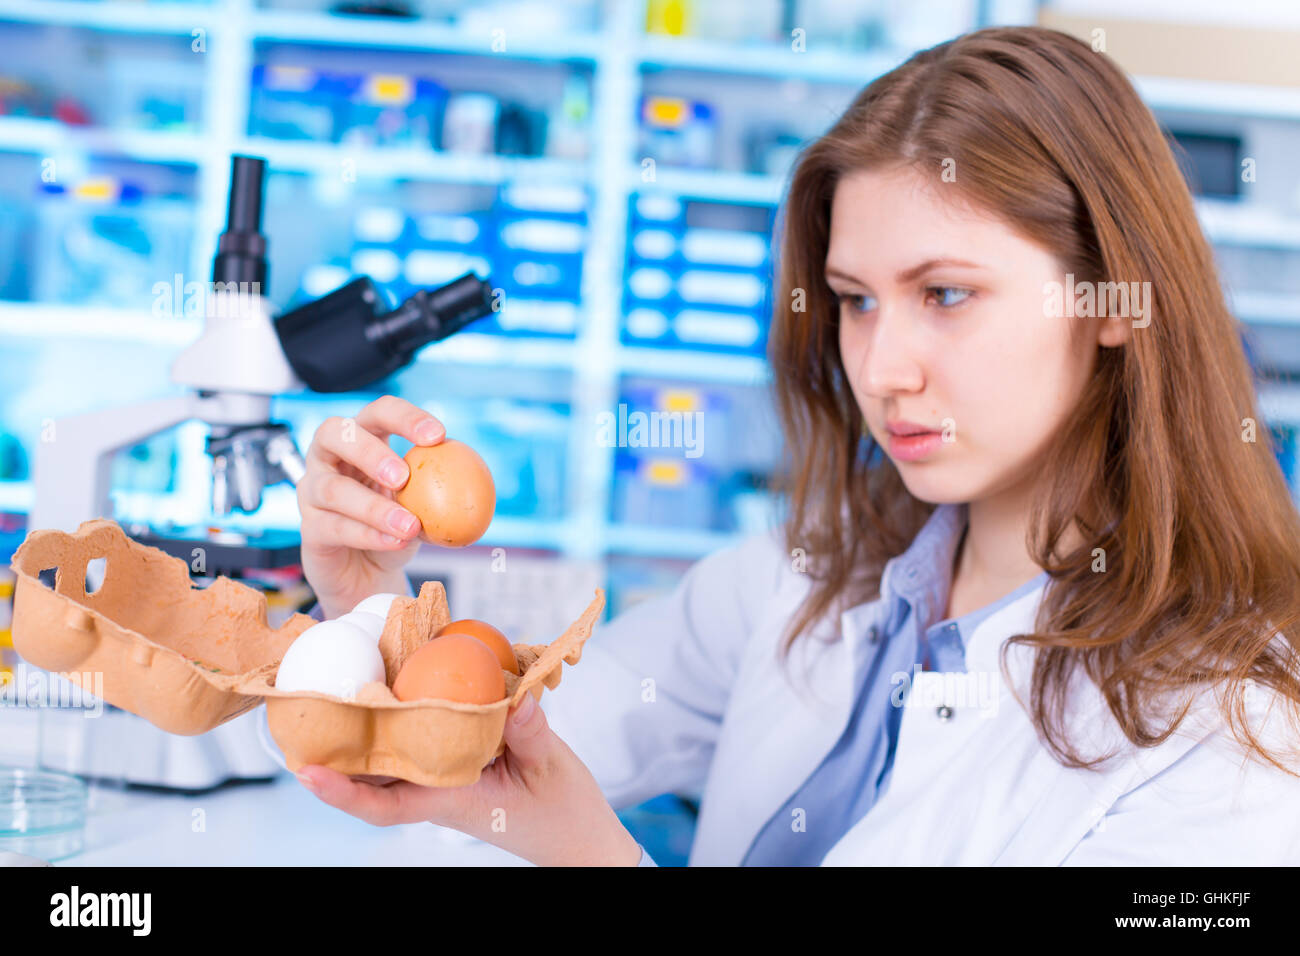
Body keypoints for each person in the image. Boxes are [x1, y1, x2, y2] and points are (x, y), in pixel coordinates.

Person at [288, 25, 1300, 865]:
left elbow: (556, 810)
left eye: (945, 293)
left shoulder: (1231, 740)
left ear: (1113, 297)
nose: (882, 367)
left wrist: (593, 851)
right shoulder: (807, 579)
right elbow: (487, 743)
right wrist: (373, 605)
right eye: (856, 301)